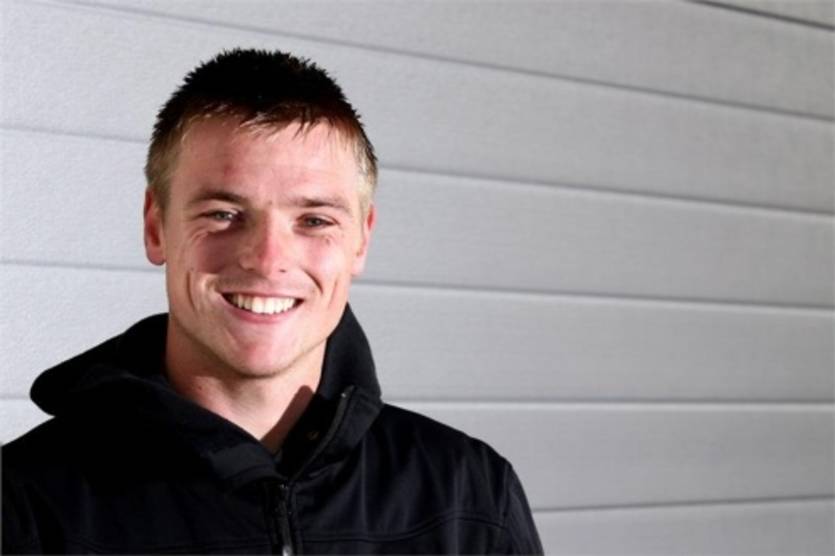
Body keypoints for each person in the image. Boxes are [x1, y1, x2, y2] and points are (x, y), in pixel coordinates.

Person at [2, 49, 543, 554]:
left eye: (314, 220)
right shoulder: (25, 505)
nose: (267, 259)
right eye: (223, 214)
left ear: (361, 239)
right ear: (156, 227)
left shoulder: (469, 496)